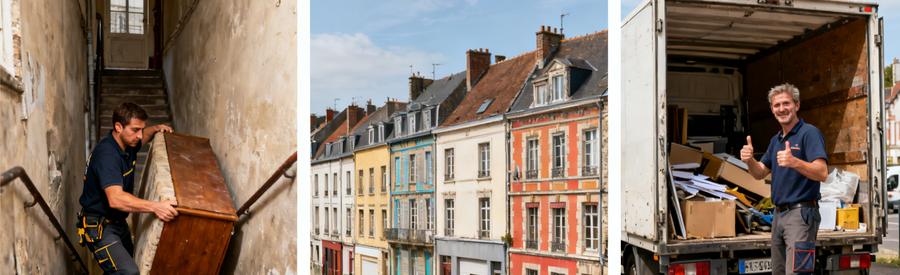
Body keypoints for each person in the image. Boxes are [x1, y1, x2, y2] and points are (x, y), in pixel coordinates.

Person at [76, 102, 178, 274]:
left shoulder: (126, 144)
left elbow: (143, 136)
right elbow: (116, 199)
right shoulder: (107, 155)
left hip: (118, 223)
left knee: (130, 260)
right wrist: (156, 206)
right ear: (118, 127)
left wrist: (156, 129)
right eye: (135, 130)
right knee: (129, 272)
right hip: (100, 227)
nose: (139, 135)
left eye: (141, 129)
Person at [740, 83, 829, 275]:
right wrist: (749, 160)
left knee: (797, 273)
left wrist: (794, 162)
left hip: (801, 215)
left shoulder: (809, 133)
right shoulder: (776, 140)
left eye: (786, 103)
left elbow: (822, 172)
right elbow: (760, 173)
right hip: (778, 215)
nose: (782, 109)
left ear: (796, 105)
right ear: (772, 110)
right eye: (777, 105)